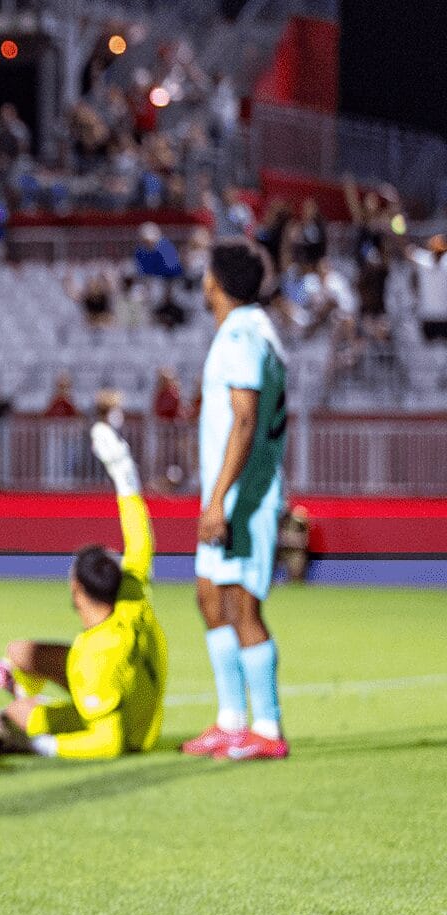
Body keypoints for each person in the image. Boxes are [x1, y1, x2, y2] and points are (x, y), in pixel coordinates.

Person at [0, 424, 168, 758]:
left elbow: (110, 741)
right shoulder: (131, 593)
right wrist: (123, 473)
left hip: (133, 729)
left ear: (78, 590)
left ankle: (29, 706)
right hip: (136, 690)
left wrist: (45, 746)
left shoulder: (95, 655)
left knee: (13, 720)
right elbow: (140, 538)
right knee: (21, 653)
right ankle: (23, 687)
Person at [182, 239, 290, 761]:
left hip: (244, 499)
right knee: (210, 597)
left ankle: (267, 728)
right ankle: (231, 721)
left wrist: (218, 499)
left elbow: (245, 418)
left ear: (216, 283)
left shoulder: (243, 334)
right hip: (231, 494)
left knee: (242, 606)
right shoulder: (249, 330)